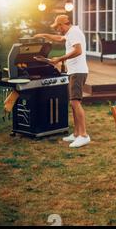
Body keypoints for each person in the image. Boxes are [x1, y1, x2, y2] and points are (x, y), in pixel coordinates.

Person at [34, 15, 90, 148]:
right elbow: (59, 38)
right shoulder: (71, 32)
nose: (58, 30)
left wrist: (59, 59)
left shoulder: (74, 33)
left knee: (75, 102)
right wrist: (44, 35)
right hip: (74, 71)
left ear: (63, 24)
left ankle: (84, 135)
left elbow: (78, 50)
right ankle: (76, 134)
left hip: (78, 71)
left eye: (58, 27)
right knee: (73, 103)